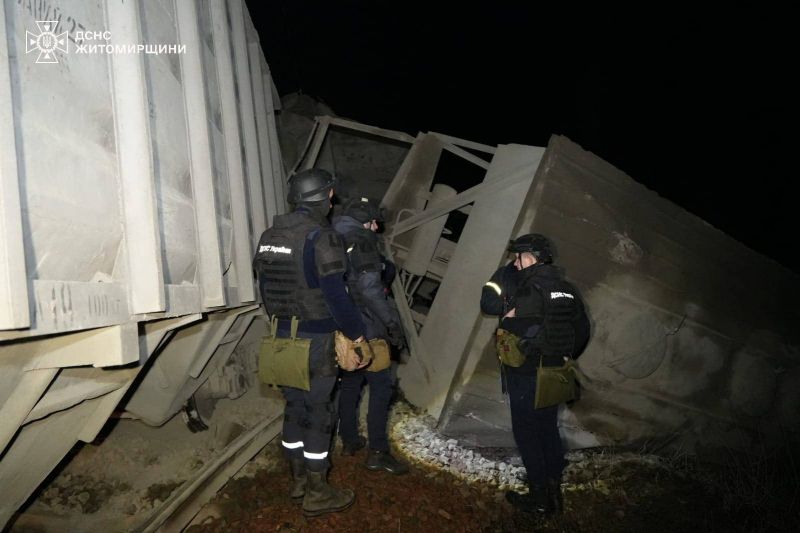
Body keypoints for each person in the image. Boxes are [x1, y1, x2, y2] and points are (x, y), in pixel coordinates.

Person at [253, 168, 368, 517]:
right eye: (330, 194)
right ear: (324, 196)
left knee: (294, 406)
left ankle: (298, 480)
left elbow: (265, 288)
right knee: (319, 411)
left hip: (281, 335)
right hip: (315, 339)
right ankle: (318, 493)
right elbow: (336, 295)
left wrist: (282, 322)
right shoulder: (322, 237)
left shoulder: (269, 236)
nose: (332, 199)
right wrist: (356, 334)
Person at [480, 233, 590, 515]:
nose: (514, 263)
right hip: (555, 371)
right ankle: (553, 491)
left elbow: (520, 328)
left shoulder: (529, 288)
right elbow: (582, 330)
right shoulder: (566, 288)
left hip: (527, 371)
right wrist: (565, 354)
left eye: (517, 258)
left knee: (526, 431)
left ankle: (539, 498)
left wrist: (508, 321)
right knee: (547, 428)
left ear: (529, 257)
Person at [333, 197, 409, 475]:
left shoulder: (330, 238)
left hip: (343, 326)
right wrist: (391, 323)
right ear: (366, 222)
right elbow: (370, 290)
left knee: (351, 382)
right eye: (374, 222)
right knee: (381, 387)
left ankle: (349, 440)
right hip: (368, 328)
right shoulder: (362, 240)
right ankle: (378, 452)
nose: (376, 228)